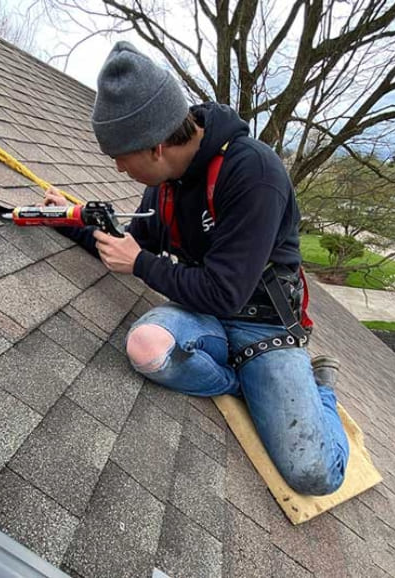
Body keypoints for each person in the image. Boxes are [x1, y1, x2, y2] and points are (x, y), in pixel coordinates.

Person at [44, 41, 348, 495]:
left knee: (313, 474)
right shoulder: (167, 181)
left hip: (263, 325)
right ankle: (242, 384)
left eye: (121, 156)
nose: (118, 168)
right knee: (147, 348)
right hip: (201, 314)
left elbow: (223, 292)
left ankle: (320, 387)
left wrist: (140, 264)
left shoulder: (254, 174)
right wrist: (67, 220)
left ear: (156, 146)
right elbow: (133, 245)